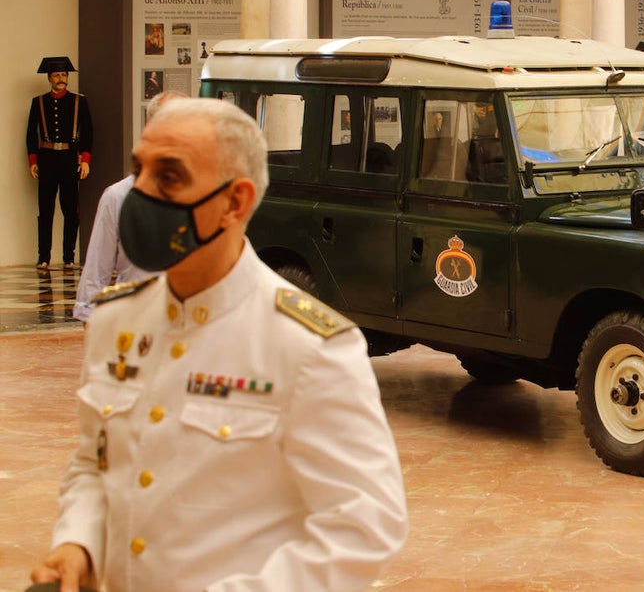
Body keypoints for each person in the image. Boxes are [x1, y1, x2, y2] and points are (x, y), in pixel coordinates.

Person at [31, 98, 407, 592]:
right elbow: (93, 462)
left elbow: (365, 525)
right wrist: (77, 542)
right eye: (139, 171)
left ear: (235, 202)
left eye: (168, 177)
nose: (138, 193)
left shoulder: (307, 346)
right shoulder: (116, 320)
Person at [72, 92, 186, 322]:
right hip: (138, 323)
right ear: (150, 129)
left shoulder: (211, 195)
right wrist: (90, 318)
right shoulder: (118, 197)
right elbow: (96, 273)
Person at [26, 56, 93, 270]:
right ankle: (43, 257)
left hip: (69, 160)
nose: (61, 78)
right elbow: (31, 134)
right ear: (49, 78)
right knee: (45, 211)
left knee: (71, 211)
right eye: (56, 75)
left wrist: (86, 160)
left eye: (64, 75)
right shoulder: (38, 102)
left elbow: (88, 132)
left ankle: (68, 257)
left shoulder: (79, 101)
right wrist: (33, 161)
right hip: (46, 160)